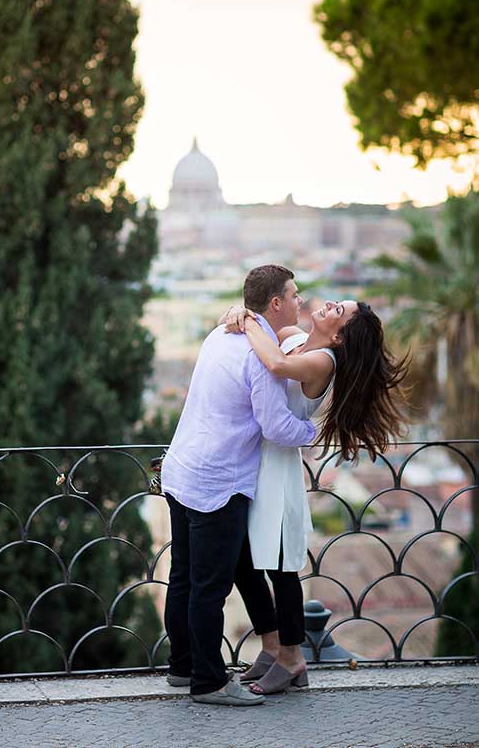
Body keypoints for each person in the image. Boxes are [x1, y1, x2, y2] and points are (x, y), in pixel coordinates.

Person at [222, 297, 409, 694]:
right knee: (243, 561)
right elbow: (270, 339)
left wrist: (249, 322)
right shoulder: (294, 336)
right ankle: (272, 647)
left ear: (340, 335)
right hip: (255, 465)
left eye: (337, 311)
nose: (327, 305)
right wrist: (239, 315)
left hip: (278, 471)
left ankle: (293, 658)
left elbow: (276, 365)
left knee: (281, 568)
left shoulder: (324, 360)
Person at [160, 265, 314, 706]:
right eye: (294, 294)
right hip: (218, 480)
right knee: (211, 587)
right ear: (275, 303)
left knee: (185, 578)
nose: (300, 302)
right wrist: (316, 433)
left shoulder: (220, 334)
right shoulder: (257, 355)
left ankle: (183, 666)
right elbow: (276, 425)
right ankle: (208, 682)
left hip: (181, 468)